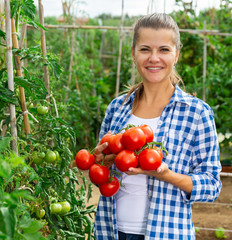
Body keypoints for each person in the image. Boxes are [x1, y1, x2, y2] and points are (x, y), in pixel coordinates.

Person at [93, 13, 222, 240]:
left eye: (164, 49)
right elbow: (103, 168)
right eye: (145, 49)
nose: (154, 58)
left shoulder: (197, 113)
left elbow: (212, 184)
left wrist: (167, 175)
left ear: (176, 54)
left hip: (166, 233)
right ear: (133, 53)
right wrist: (100, 159)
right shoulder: (117, 108)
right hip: (111, 230)